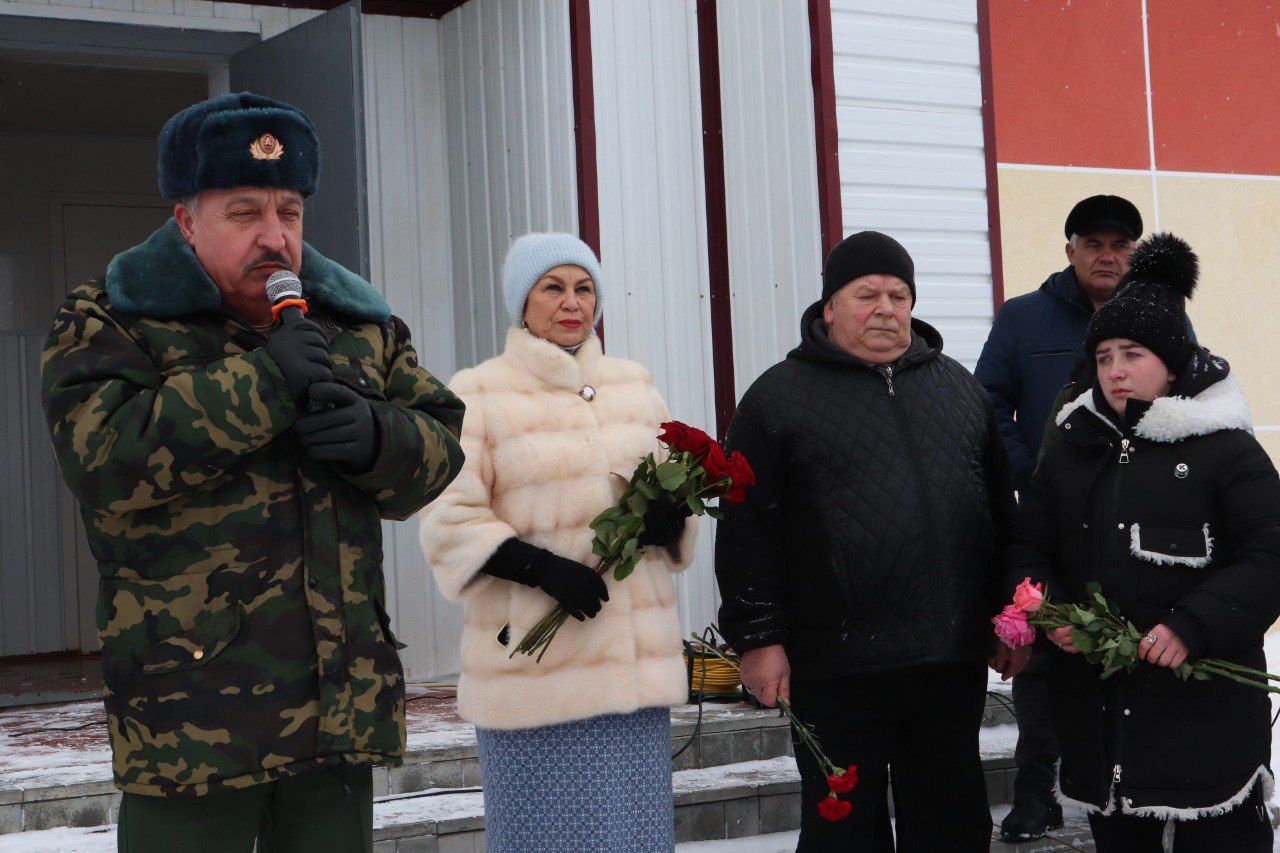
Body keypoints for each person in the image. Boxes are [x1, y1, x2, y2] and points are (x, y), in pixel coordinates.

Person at [40, 92, 466, 853]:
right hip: (190, 735)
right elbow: (105, 458)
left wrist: (376, 436)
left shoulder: (356, 324)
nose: (275, 238)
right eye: (244, 213)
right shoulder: (111, 320)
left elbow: (442, 446)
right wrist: (266, 382)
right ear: (185, 219)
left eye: (290, 212)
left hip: (339, 718)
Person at [714, 230, 1021, 851]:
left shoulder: (958, 390)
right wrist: (757, 638)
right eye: (866, 295)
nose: (885, 308)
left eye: (899, 294)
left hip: (947, 657)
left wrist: (1009, 616)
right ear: (829, 307)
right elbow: (746, 533)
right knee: (844, 833)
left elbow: (1000, 516)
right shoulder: (775, 398)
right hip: (835, 667)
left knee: (952, 824)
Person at [420, 232, 698, 852]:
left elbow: (670, 490)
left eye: (584, 287)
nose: (572, 302)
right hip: (539, 677)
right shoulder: (479, 393)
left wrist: (670, 520)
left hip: (632, 679)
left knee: (633, 839)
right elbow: (449, 520)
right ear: (522, 302)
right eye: (554, 287)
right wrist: (540, 568)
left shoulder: (634, 384)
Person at [1008, 233, 1280, 851]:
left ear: (1173, 359)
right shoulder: (1072, 450)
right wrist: (1046, 607)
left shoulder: (1225, 448)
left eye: (1132, 353)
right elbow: (1030, 545)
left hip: (1206, 722)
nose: (1116, 371)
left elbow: (1270, 555)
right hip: (1104, 729)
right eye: (1103, 357)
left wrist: (1192, 626)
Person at [975, 194, 1142, 841]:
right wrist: (1035, 476)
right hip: (1051, 527)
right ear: (1069, 249)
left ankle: (1131, 781)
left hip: (1135, 529)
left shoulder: (1158, 323)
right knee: (1044, 655)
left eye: (1120, 243)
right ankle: (1035, 790)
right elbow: (988, 401)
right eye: (1093, 242)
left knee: (1131, 650)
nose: (1107, 254)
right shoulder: (1024, 320)